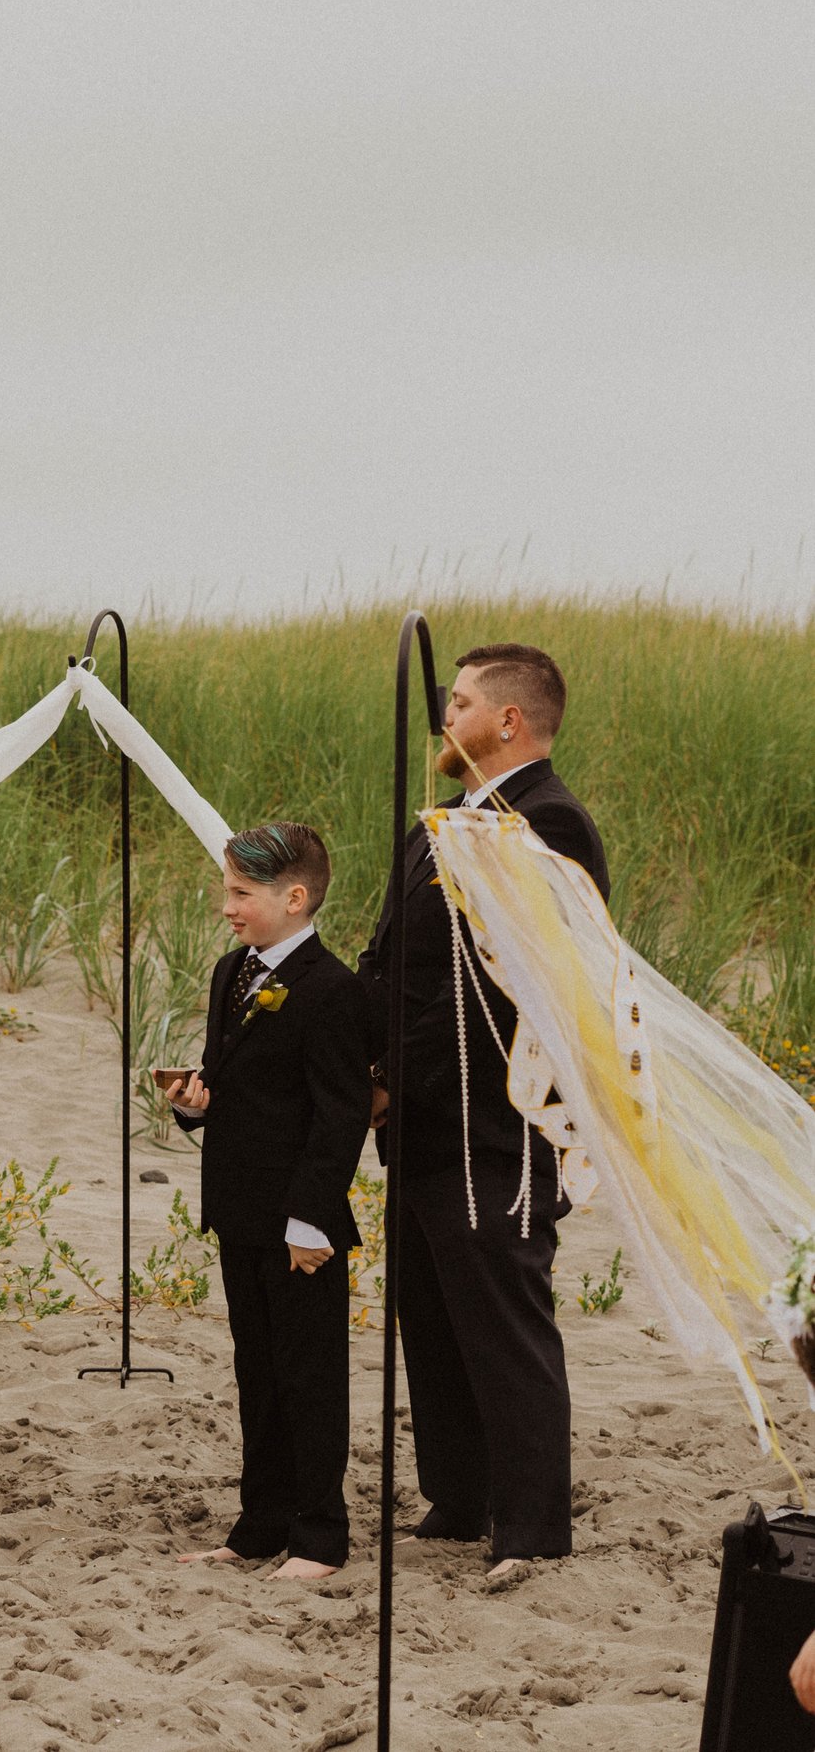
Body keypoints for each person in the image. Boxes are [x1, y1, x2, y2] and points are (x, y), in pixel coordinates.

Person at [357, 642, 608, 1576]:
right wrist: (358, 1060)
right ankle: (459, 1497)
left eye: (458, 702)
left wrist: (394, 1075)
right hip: (419, 1117)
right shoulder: (437, 824)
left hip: (497, 1120)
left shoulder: (549, 823)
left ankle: (533, 1527)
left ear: (507, 721)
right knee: (431, 1311)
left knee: (504, 1318)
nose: (442, 717)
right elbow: (393, 959)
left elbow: (500, 992)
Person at [166, 822, 371, 1580]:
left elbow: (339, 1114)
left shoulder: (332, 989)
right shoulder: (231, 973)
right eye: (227, 890)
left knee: (308, 1378)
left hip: (299, 1222)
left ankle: (320, 1535)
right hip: (239, 1208)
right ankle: (260, 1524)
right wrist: (194, 1105)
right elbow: (233, 1083)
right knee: (257, 1371)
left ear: (294, 897)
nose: (228, 906)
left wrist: (309, 1217)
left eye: (241, 893)